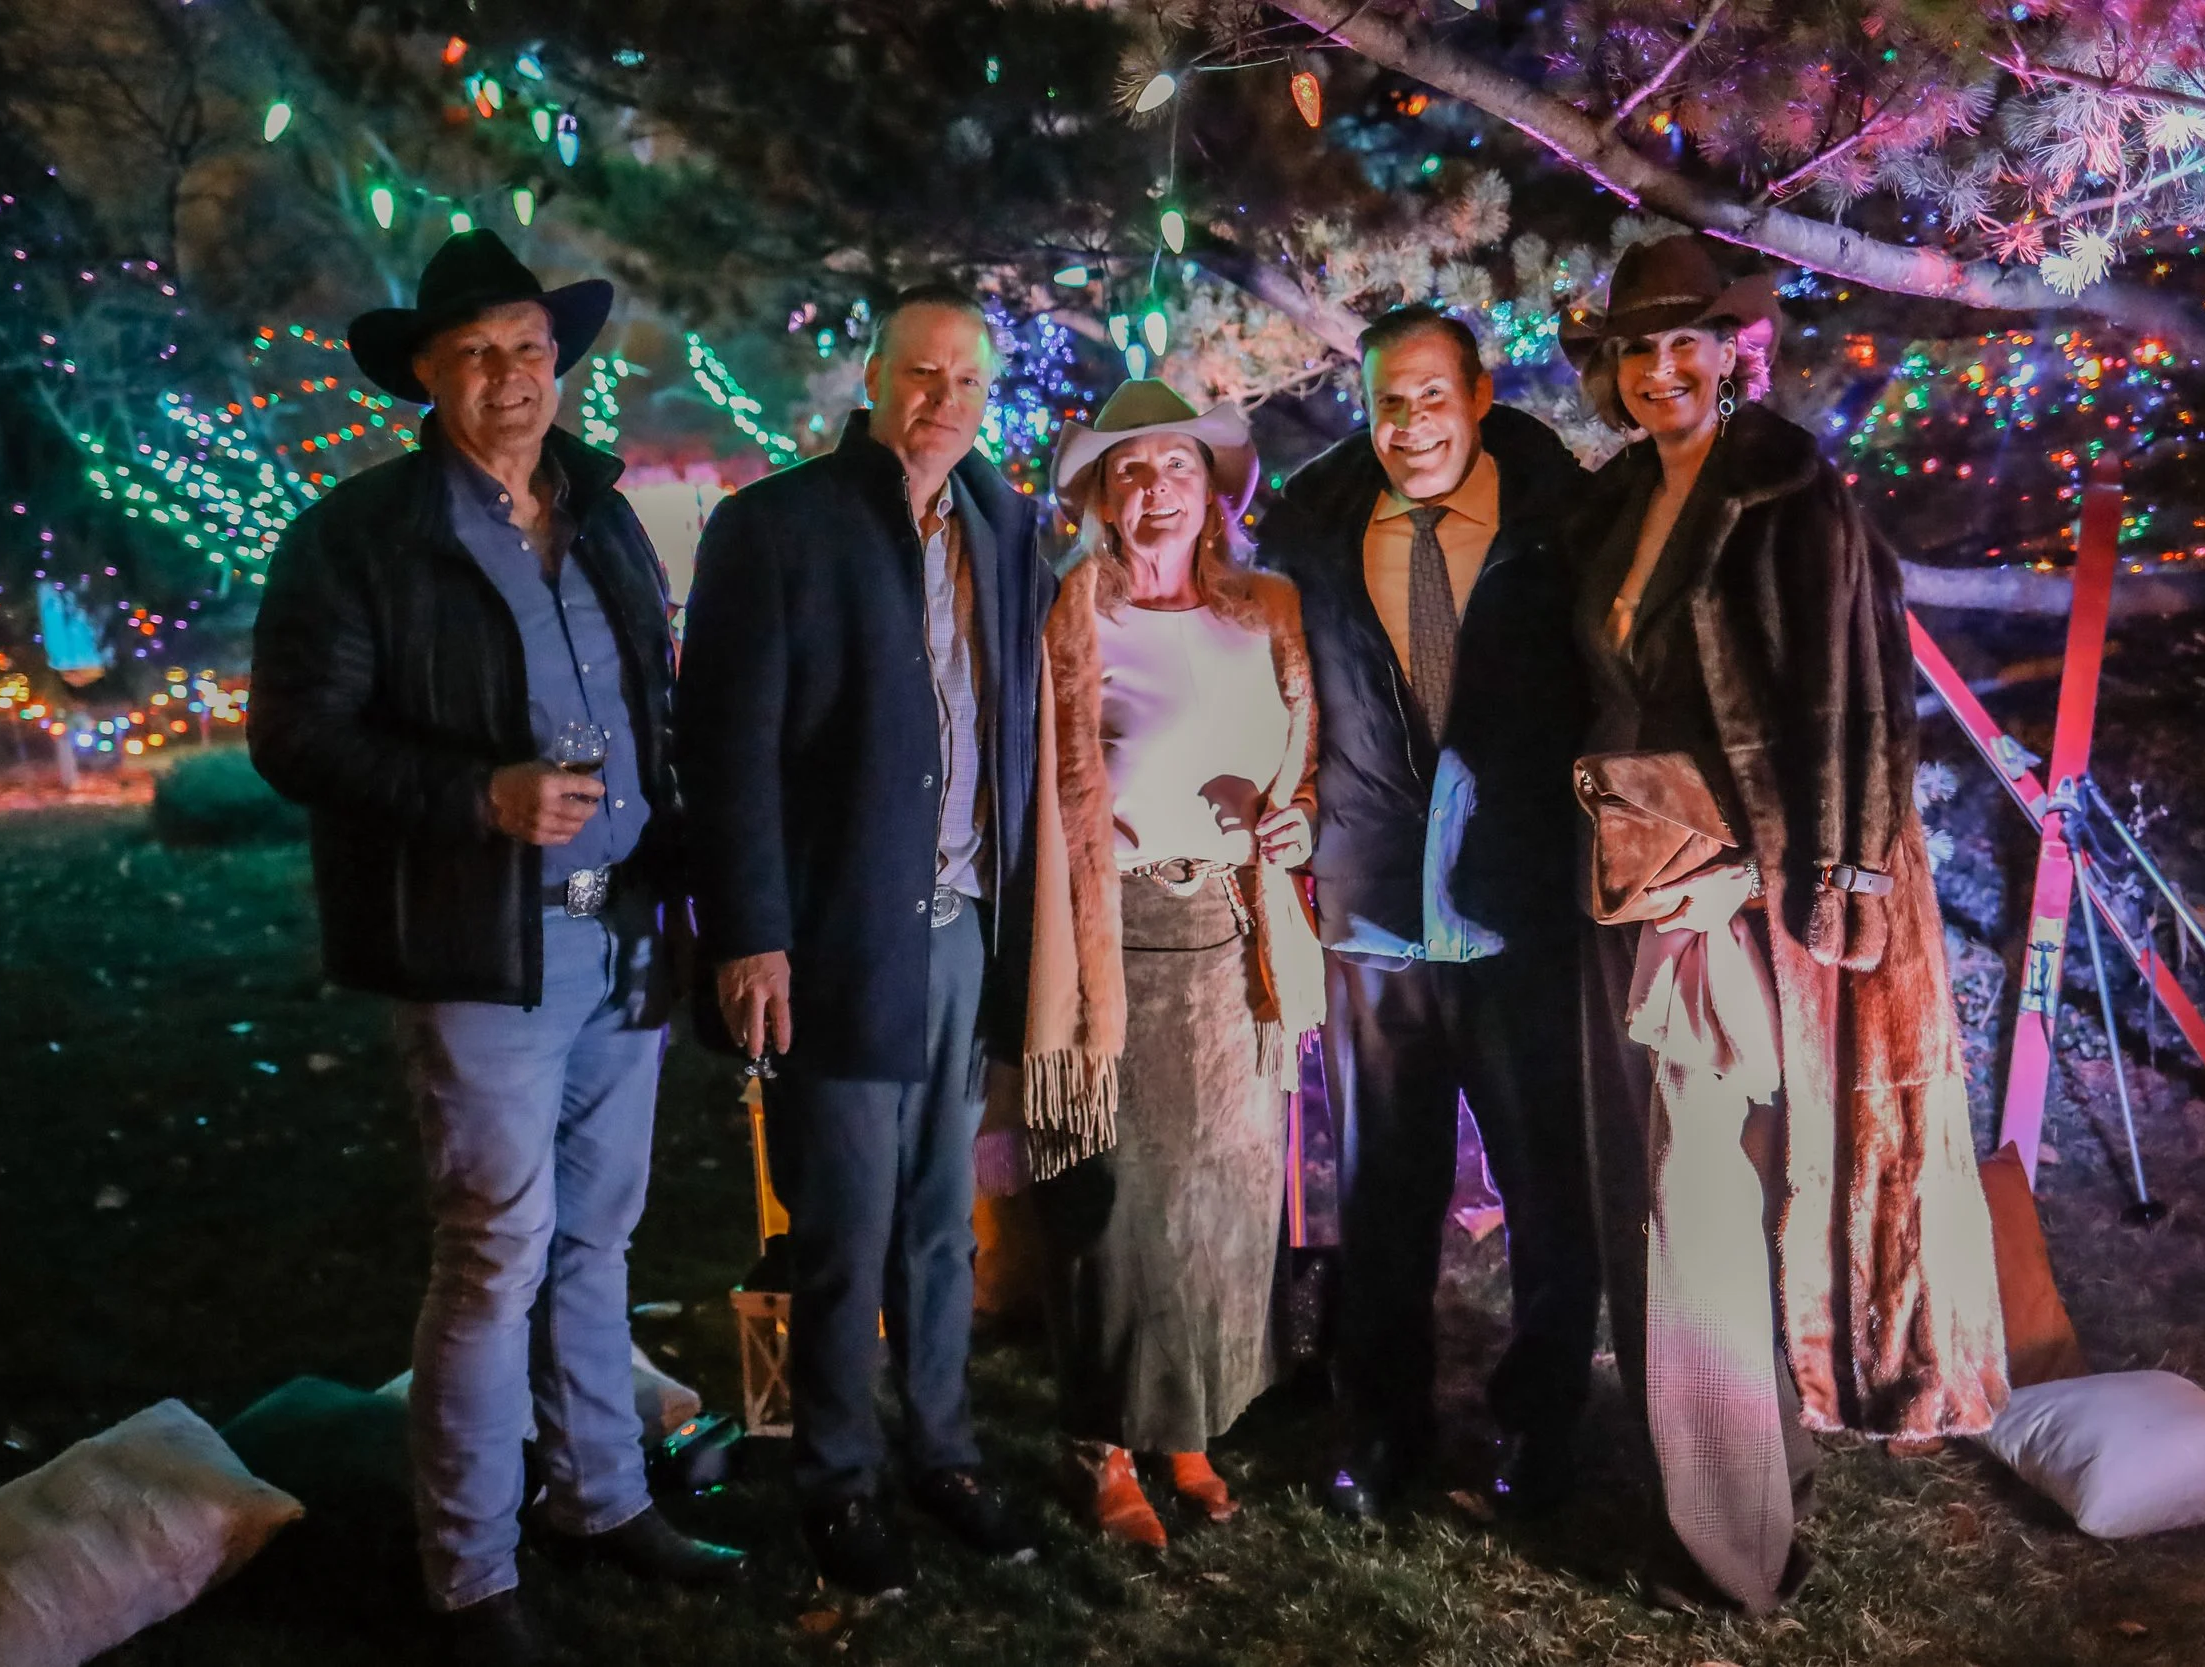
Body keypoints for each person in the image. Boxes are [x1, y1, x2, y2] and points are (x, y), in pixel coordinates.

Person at [250, 230, 742, 1667]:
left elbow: (660, 709)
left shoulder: (601, 513)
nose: (512, 377)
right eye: (477, 353)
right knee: (493, 1254)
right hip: (480, 945)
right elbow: (296, 735)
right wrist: (481, 795)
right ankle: (467, 1571)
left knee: (598, 1240)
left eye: (531, 349)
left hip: (626, 937)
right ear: (423, 372)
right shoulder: (359, 536)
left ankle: (600, 1497)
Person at [1560, 233, 2007, 1612]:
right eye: (1636, 348)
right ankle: (1726, 1495)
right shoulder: (1617, 498)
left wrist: (1827, 891)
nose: (1660, 369)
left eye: (1685, 341)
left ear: (1732, 347)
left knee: (1706, 1200)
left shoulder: (1788, 489)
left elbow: (1853, 702)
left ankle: (1735, 1542)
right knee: (1667, 1198)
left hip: (1748, 908)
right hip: (1634, 890)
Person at [676, 284, 1053, 1596]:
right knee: (842, 1221)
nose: (940, 399)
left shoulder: (1009, 531)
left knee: (946, 1218)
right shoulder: (777, 526)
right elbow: (723, 751)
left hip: (964, 928)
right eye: (918, 373)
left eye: (964, 379)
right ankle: (839, 1473)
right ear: (874, 375)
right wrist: (752, 933)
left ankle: (942, 1449)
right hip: (834, 930)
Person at [1258, 307, 1597, 1520]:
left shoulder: (1562, 518)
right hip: (1376, 904)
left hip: (1517, 905)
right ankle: (1381, 1432)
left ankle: (1539, 1428)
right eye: (1386, 402)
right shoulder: (1309, 525)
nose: (1407, 426)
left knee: (1551, 1190)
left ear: (1478, 392)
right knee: (1383, 1194)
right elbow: (1275, 681)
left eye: (1429, 398)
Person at [1015, 381, 1326, 1548]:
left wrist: (1293, 817)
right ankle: (1100, 1443)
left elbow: (1304, 764)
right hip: (1116, 940)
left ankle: (1184, 1424)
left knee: (1219, 1200)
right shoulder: (1071, 613)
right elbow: (1030, 773)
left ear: (1212, 492)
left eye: (1177, 470)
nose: (1155, 493)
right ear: (1102, 494)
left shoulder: (1269, 609)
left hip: (1236, 944)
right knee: (1114, 1203)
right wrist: (1096, 831)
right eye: (1131, 473)